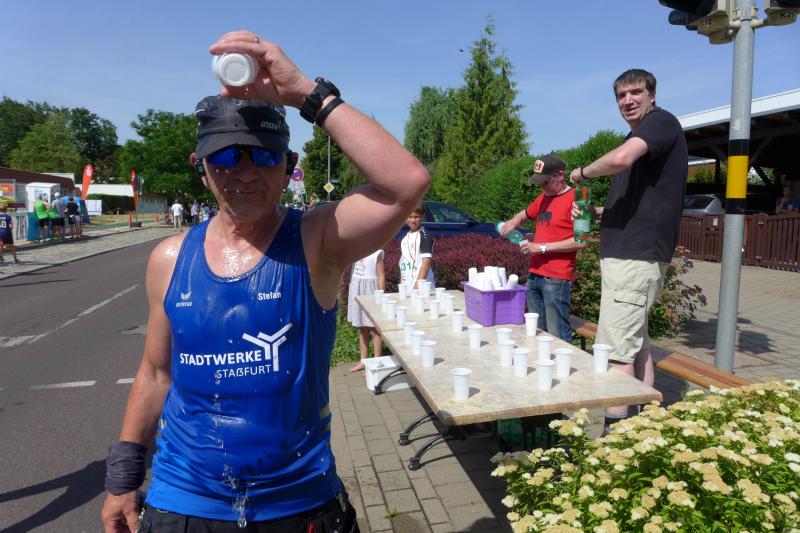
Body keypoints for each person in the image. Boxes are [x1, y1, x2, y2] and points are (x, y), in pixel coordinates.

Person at [100, 30, 429, 533]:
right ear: (202, 170)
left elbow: (406, 183)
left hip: (296, 503)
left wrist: (306, 94)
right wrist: (123, 478)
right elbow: (156, 373)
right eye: (226, 157)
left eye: (265, 156)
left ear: (289, 166)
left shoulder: (316, 240)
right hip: (184, 501)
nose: (245, 172)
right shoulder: (170, 258)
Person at [568, 68, 688, 432]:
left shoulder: (659, 123)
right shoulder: (639, 137)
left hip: (635, 257)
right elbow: (642, 202)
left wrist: (581, 173)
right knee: (636, 345)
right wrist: (597, 212)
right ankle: (645, 426)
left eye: (636, 92)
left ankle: (614, 437)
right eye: (621, 95)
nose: (628, 100)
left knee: (616, 351)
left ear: (652, 95)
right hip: (630, 255)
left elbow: (620, 159)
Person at [501, 155, 587, 342]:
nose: (541, 186)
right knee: (536, 332)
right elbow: (524, 214)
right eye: (538, 182)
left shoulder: (579, 198)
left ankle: (563, 362)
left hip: (556, 278)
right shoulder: (543, 198)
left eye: (545, 181)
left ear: (560, 175)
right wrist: (514, 221)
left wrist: (541, 248)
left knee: (557, 335)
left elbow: (581, 241)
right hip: (534, 275)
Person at [346, 248, 386, 372]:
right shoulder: (356, 250)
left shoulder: (376, 253)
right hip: (357, 290)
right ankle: (363, 362)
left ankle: (377, 363)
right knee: (362, 328)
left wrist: (380, 296)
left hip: (371, 293)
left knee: (374, 330)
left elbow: (381, 276)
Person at [399, 205, 434, 291]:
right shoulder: (405, 238)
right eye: (410, 217)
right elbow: (404, 261)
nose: (413, 220)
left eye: (416, 217)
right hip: (407, 283)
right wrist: (402, 282)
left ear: (422, 217)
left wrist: (418, 283)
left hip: (421, 285)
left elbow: (426, 262)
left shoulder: (424, 235)